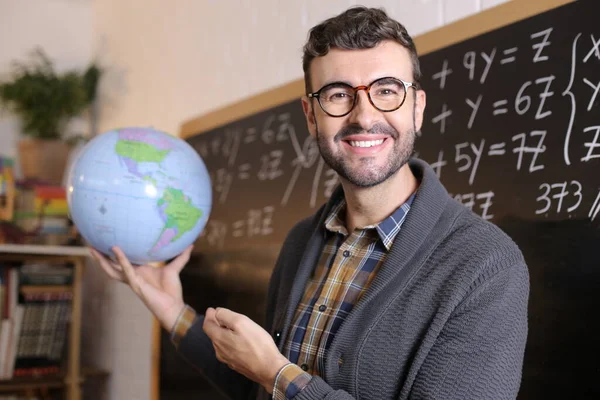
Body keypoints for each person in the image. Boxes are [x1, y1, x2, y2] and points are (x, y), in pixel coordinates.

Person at [91, 6, 529, 400]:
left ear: (417, 107)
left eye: (388, 90)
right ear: (310, 115)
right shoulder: (303, 241)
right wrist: (173, 312)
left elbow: (274, 378)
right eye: (339, 94)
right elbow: (259, 386)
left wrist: (279, 374)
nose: (364, 115)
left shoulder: (486, 266)